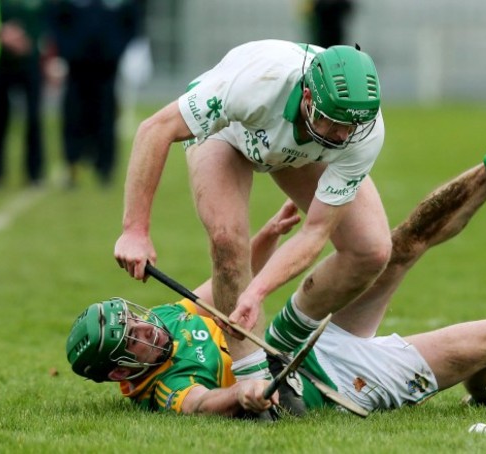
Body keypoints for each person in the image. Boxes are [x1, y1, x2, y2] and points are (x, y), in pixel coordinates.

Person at [68, 113, 486, 418]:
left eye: (133, 318)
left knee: (393, 247)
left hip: (293, 336)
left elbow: (218, 290)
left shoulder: (167, 320)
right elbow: (203, 403)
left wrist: (266, 236)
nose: (144, 329)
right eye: (131, 338)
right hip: (331, 383)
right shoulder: (162, 389)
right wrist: (244, 397)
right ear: (119, 372)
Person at [113, 39, 392, 385]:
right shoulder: (255, 84)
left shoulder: (360, 131)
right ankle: (251, 377)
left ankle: (285, 344)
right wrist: (135, 230)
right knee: (228, 238)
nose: (341, 135)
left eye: (350, 127)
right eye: (332, 121)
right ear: (308, 97)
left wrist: (256, 292)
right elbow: (155, 129)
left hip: (300, 148)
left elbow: (315, 231)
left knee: (371, 249)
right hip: (228, 133)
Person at [47, 0, 141, 187]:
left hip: (106, 68)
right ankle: (72, 166)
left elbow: (132, 21)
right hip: (76, 68)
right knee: (73, 119)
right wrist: (68, 51)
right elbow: (56, 20)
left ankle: (105, 169)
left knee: (106, 119)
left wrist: (115, 49)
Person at [0, 0, 48, 187]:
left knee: (34, 118)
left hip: (30, 61)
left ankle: (35, 172)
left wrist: (30, 41)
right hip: (0, 62)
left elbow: (47, 21)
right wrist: (3, 34)